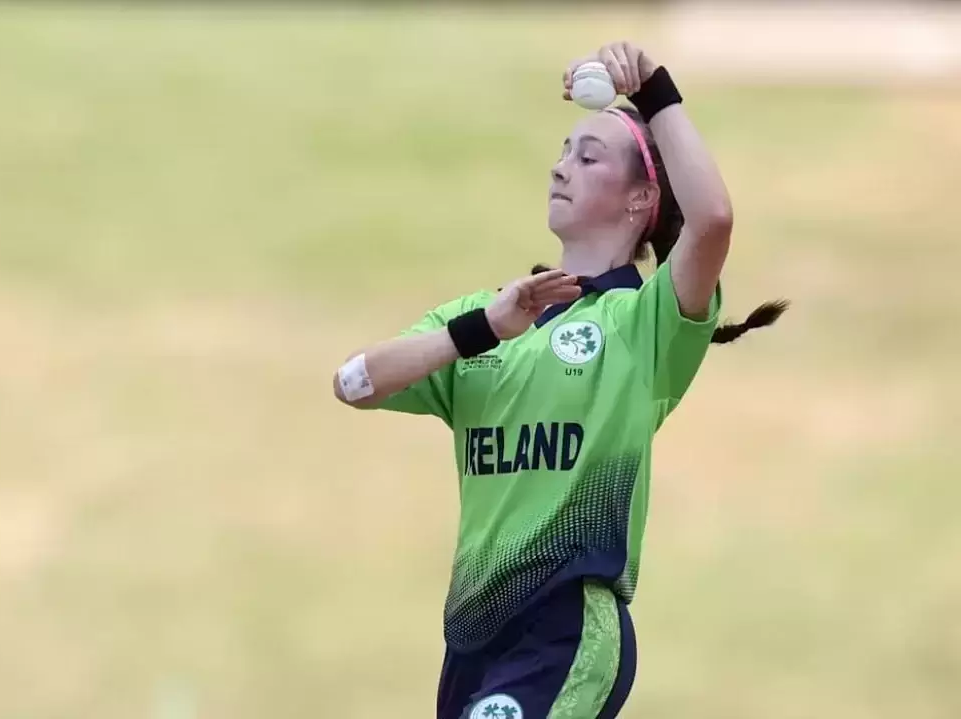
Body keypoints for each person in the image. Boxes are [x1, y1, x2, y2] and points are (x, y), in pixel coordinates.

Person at [332, 41, 787, 719]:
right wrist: (481, 327)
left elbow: (713, 220)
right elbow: (355, 382)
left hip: (565, 626)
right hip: (471, 641)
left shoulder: (642, 324)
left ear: (640, 199)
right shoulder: (483, 320)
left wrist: (655, 88)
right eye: (562, 150)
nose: (559, 165)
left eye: (587, 155)